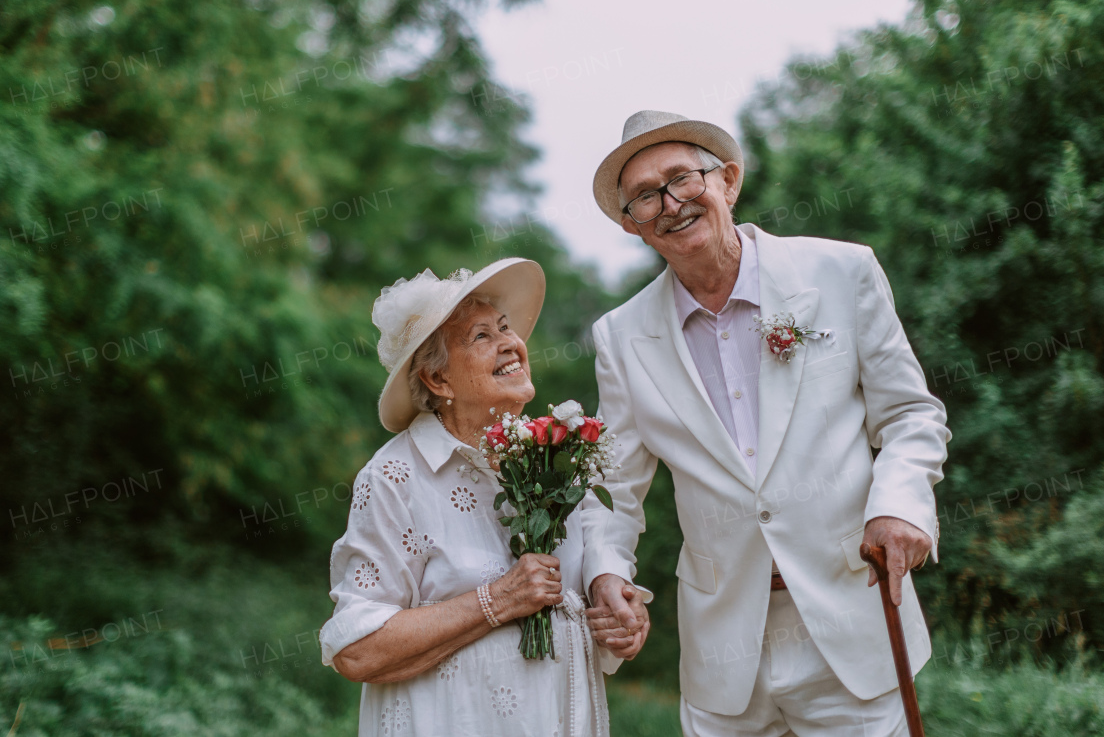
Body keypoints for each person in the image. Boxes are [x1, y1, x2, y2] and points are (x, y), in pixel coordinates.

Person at [580, 111, 950, 736]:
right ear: (632, 225)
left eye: (683, 179)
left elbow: (912, 416)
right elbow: (610, 489)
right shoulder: (619, 336)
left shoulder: (842, 272)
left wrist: (900, 506)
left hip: (853, 619)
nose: (670, 204)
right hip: (723, 652)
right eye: (646, 196)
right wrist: (606, 572)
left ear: (727, 180)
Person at [320, 258, 639, 737]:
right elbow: (357, 649)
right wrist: (497, 600)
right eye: (481, 336)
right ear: (438, 381)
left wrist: (611, 598)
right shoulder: (394, 475)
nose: (511, 343)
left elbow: (600, 538)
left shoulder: (556, 457)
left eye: (506, 328)